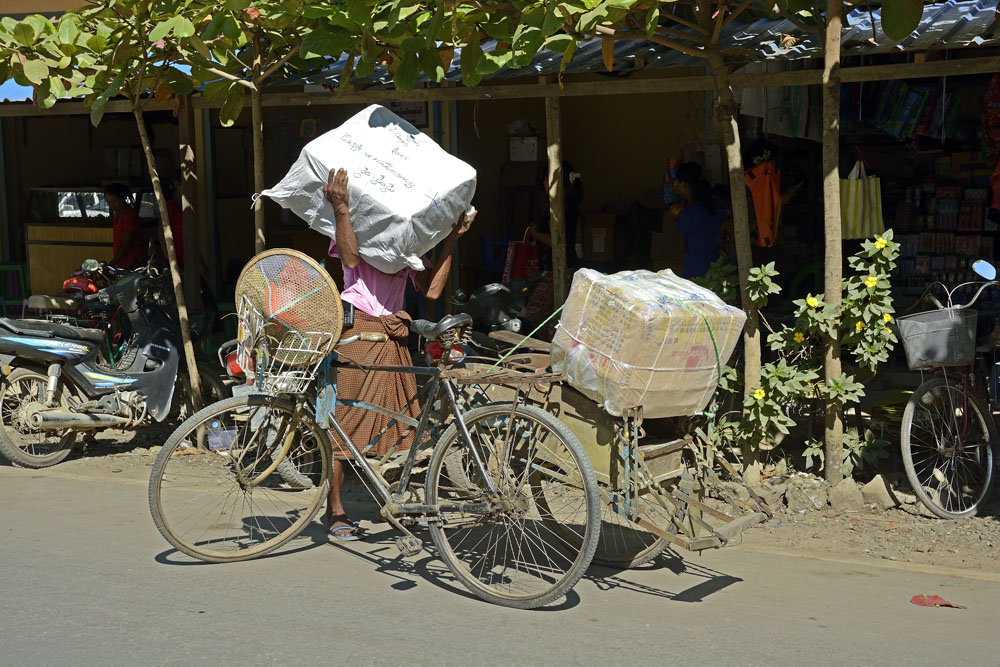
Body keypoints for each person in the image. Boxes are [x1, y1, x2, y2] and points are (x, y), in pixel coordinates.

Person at [322, 167, 475, 540]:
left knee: (396, 422)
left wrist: (452, 239)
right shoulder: (357, 233)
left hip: (393, 336)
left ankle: (390, 500)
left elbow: (433, 291)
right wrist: (342, 209)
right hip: (358, 330)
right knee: (345, 421)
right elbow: (351, 260)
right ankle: (335, 509)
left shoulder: (403, 248)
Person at [672, 163, 727, 279]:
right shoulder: (717, 208)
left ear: (684, 185)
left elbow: (682, 247)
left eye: (677, 183)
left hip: (694, 271)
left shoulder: (686, 215)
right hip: (717, 269)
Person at [105, 183, 144, 269]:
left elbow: (127, 245)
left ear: (123, 198)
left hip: (132, 261)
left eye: (114, 201)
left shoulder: (130, 215)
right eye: (108, 202)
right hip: (121, 261)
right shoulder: (117, 213)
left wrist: (111, 264)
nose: (111, 205)